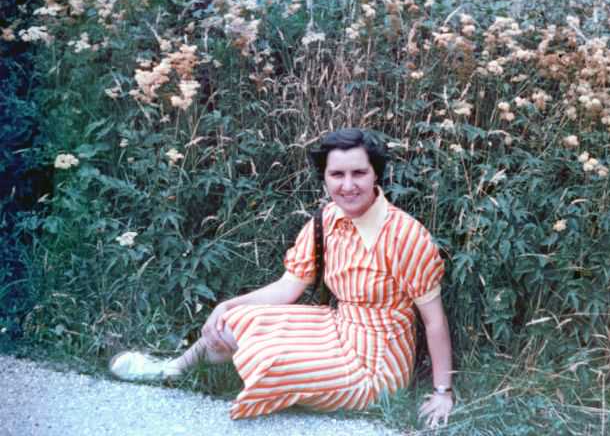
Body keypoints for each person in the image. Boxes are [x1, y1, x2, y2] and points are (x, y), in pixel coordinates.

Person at [110, 128, 455, 428]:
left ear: (375, 175)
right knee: (238, 319)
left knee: (273, 360)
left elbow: (434, 321)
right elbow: (288, 287)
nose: (348, 186)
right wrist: (226, 305)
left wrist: (443, 392)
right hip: (337, 326)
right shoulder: (326, 220)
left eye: (358, 173)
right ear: (325, 177)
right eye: (337, 175)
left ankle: (264, 369)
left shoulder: (406, 236)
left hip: (378, 362)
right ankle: (170, 371)